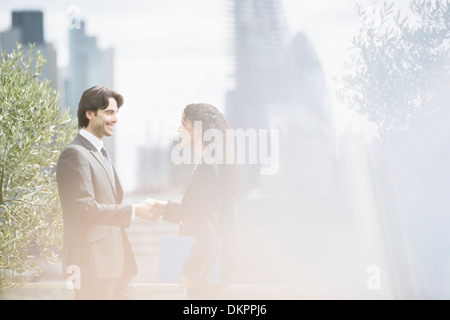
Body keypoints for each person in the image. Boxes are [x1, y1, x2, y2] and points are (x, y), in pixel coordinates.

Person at [56, 85, 157, 300]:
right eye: (109, 112)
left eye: (116, 113)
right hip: (92, 266)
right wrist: (135, 211)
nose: (115, 119)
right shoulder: (74, 154)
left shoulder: (100, 153)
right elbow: (85, 210)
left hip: (116, 265)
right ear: (89, 114)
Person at [151, 103, 243, 299]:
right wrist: (165, 209)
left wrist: (192, 272)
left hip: (208, 274)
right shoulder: (211, 165)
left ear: (199, 130)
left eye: (184, 124)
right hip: (213, 269)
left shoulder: (209, 169)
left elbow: (207, 227)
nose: (179, 129)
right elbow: (199, 214)